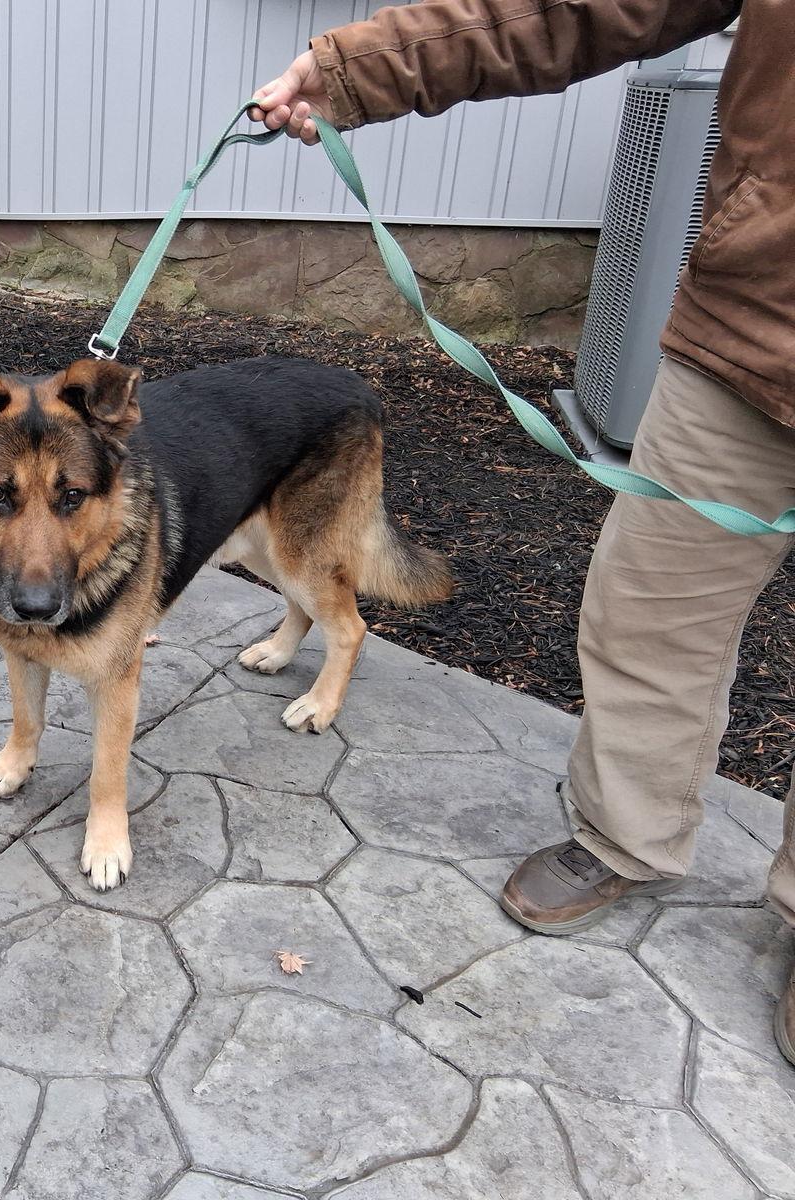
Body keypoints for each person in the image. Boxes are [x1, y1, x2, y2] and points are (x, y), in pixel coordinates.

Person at [251, 0, 795, 1065]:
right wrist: (352, 68)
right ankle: (622, 836)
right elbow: (576, 10)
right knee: (646, 610)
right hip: (757, 326)